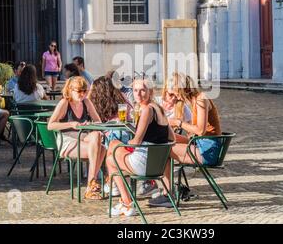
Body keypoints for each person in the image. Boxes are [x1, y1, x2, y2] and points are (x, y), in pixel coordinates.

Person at [148, 72, 222, 208]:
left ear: (182, 89)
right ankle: (162, 188)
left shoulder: (201, 99)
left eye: (175, 94)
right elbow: (194, 133)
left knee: (164, 148)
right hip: (202, 144)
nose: (175, 98)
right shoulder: (194, 100)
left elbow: (200, 130)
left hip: (207, 150)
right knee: (165, 139)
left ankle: (166, 193)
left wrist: (177, 122)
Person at [106, 77, 175, 217]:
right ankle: (123, 200)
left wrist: (125, 143)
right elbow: (172, 138)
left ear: (150, 91)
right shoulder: (159, 109)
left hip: (144, 164)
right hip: (158, 164)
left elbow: (137, 141)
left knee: (110, 160)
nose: (138, 94)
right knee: (114, 146)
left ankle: (126, 203)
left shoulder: (147, 110)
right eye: (135, 90)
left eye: (142, 90)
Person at [48, 76, 106, 200]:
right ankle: (91, 185)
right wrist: (71, 124)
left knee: (99, 139)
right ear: (70, 90)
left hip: (82, 136)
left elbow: (98, 122)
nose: (82, 94)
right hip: (67, 140)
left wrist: (89, 125)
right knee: (100, 149)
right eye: (79, 91)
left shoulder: (86, 102)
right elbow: (50, 125)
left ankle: (91, 183)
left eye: (84, 91)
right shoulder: (64, 103)